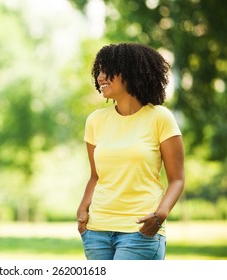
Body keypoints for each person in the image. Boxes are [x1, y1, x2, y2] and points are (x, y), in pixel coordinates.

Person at [77, 43, 185, 260]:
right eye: (98, 71)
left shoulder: (160, 118)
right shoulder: (95, 121)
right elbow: (96, 176)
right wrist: (82, 210)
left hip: (139, 231)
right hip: (96, 232)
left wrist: (160, 215)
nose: (100, 77)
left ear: (131, 72)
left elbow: (177, 179)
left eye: (107, 70)